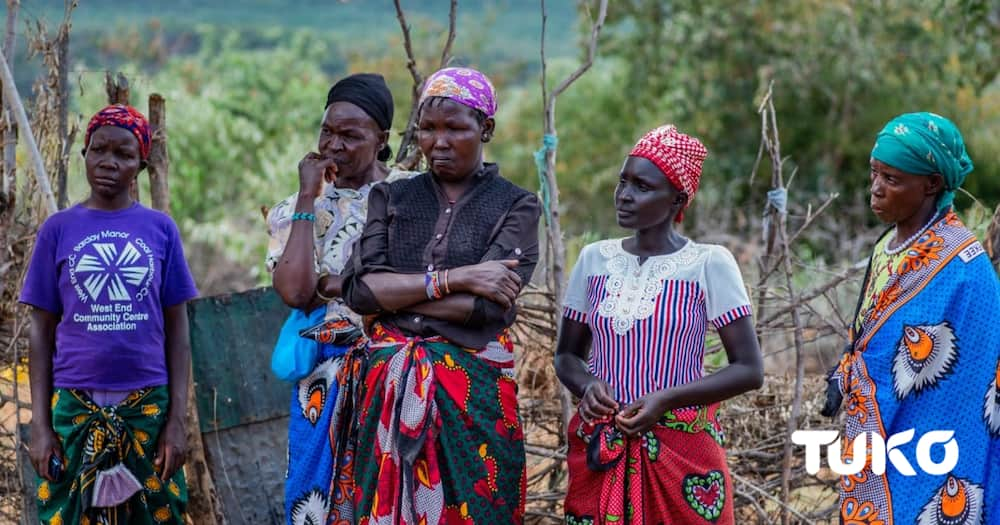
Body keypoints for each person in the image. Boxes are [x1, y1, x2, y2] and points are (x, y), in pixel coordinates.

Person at [341, 66, 540, 525]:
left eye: (455, 128)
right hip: (388, 386)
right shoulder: (391, 198)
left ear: (485, 129)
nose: (438, 142)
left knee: (477, 507)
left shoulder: (516, 205)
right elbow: (361, 291)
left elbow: (485, 308)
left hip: (472, 391)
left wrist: (395, 292)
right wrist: (458, 278)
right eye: (427, 129)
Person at [554, 125, 763, 524]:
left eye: (642, 186)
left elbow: (749, 370)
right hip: (603, 443)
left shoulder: (708, 264)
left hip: (682, 452)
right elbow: (566, 355)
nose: (625, 195)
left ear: (677, 200)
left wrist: (664, 400)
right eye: (623, 181)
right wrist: (587, 386)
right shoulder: (595, 260)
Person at [21, 105, 197, 524]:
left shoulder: (161, 229)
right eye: (99, 150)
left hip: (147, 405)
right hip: (74, 406)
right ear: (84, 152)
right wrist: (40, 425)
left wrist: (176, 419)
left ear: (141, 164)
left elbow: (178, 329)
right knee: (67, 512)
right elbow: (41, 333)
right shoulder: (58, 229)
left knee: (157, 514)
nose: (108, 163)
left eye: (123, 154)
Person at [822, 112, 1000, 524]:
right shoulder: (886, 246)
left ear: (932, 184)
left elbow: (978, 370)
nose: (875, 189)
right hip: (875, 440)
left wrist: (868, 375)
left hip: (939, 446)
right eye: (874, 174)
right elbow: (870, 332)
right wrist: (844, 371)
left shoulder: (966, 265)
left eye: (892, 179)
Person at [265, 73, 404, 525]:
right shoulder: (295, 207)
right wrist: (309, 195)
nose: (334, 145)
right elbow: (296, 292)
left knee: (386, 493)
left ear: (381, 139)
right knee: (314, 497)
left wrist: (339, 284)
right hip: (322, 380)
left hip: (396, 369)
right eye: (327, 131)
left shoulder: (411, 193)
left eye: (350, 135)